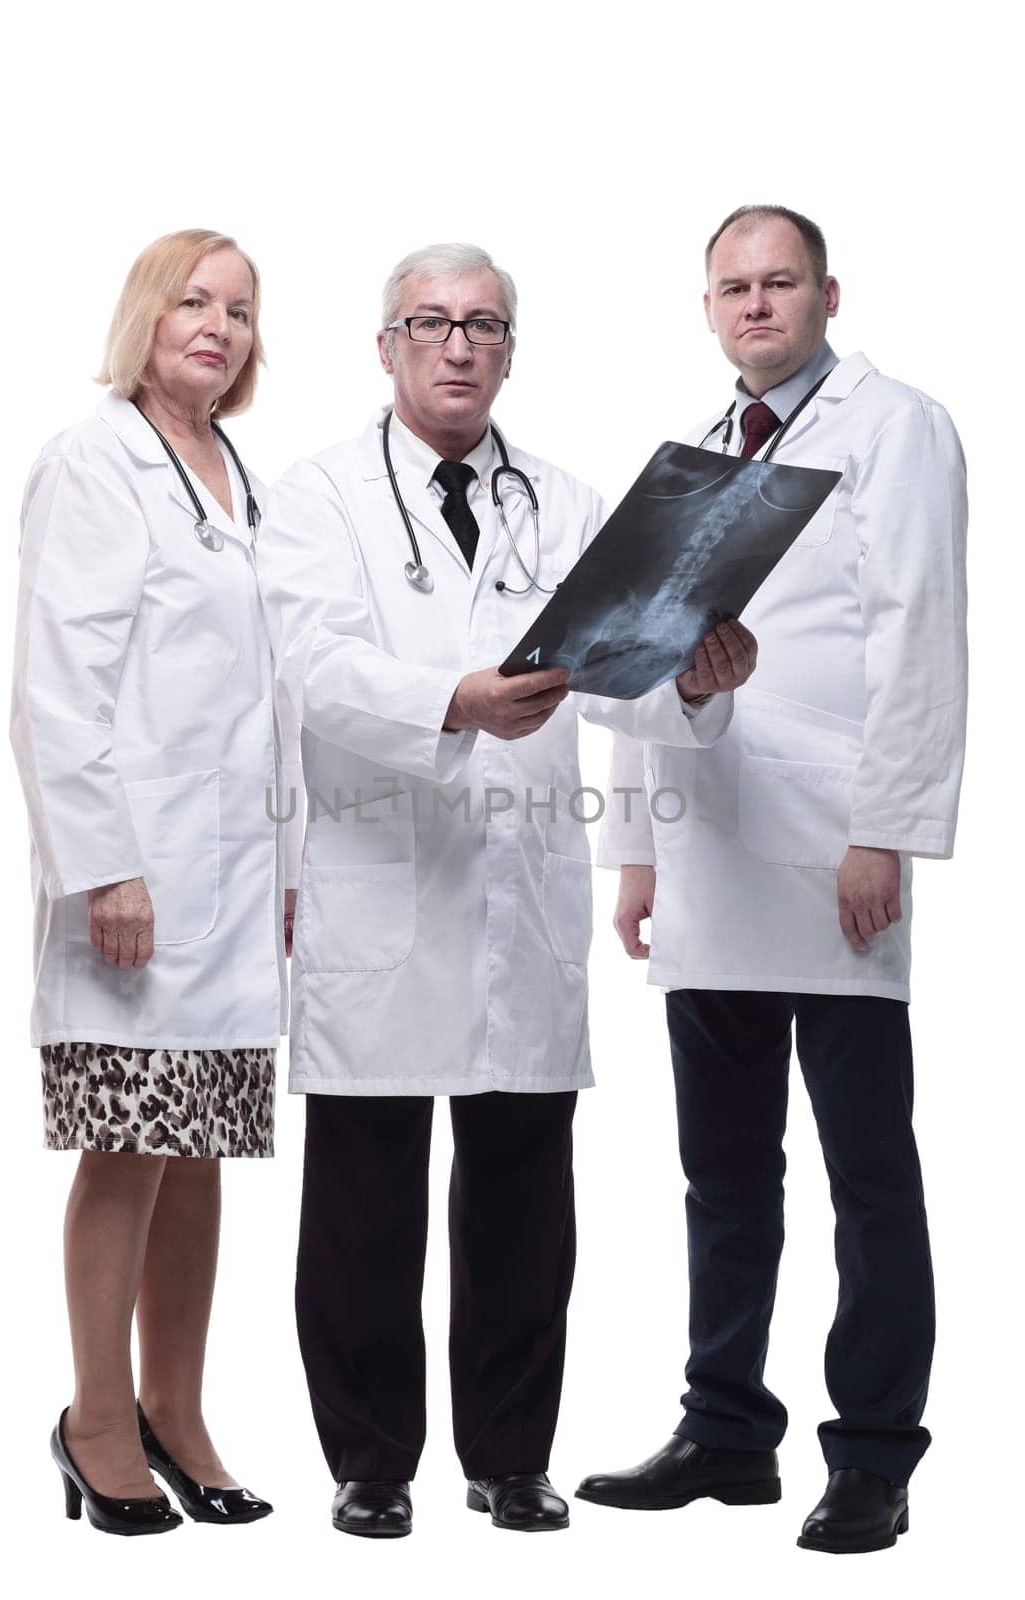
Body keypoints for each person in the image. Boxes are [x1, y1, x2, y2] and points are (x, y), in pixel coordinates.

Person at [256, 241, 757, 1539]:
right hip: (382, 885)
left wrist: (696, 677)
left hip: (521, 898)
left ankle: (512, 1458)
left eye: (485, 324)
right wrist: (454, 701)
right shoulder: (318, 499)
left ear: (512, 350)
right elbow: (313, 665)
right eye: (432, 321)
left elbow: (624, 678)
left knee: (524, 1201)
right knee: (366, 1202)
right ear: (387, 347)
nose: (460, 345)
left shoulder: (572, 501)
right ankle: (371, 1465)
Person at [575, 205, 968, 1555]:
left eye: (779, 281)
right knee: (721, 1170)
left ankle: (871, 1455)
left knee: (869, 1168)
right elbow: (635, 643)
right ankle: (728, 1431)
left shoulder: (896, 426)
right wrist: (632, 849)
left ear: (828, 293)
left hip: (829, 842)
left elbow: (921, 630)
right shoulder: (690, 452)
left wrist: (890, 830)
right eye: (733, 287)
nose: (756, 304)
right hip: (706, 844)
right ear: (708, 309)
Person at [10, 229, 302, 1535]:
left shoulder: (240, 473)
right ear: (146, 315)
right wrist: (106, 865)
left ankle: (179, 1410)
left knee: (203, 1153)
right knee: (128, 1145)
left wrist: (292, 865)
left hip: (237, 882)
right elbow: (55, 688)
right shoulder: (96, 462)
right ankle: (96, 1418)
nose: (219, 326)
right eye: (193, 301)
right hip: (137, 875)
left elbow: (272, 692)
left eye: (239, 310)